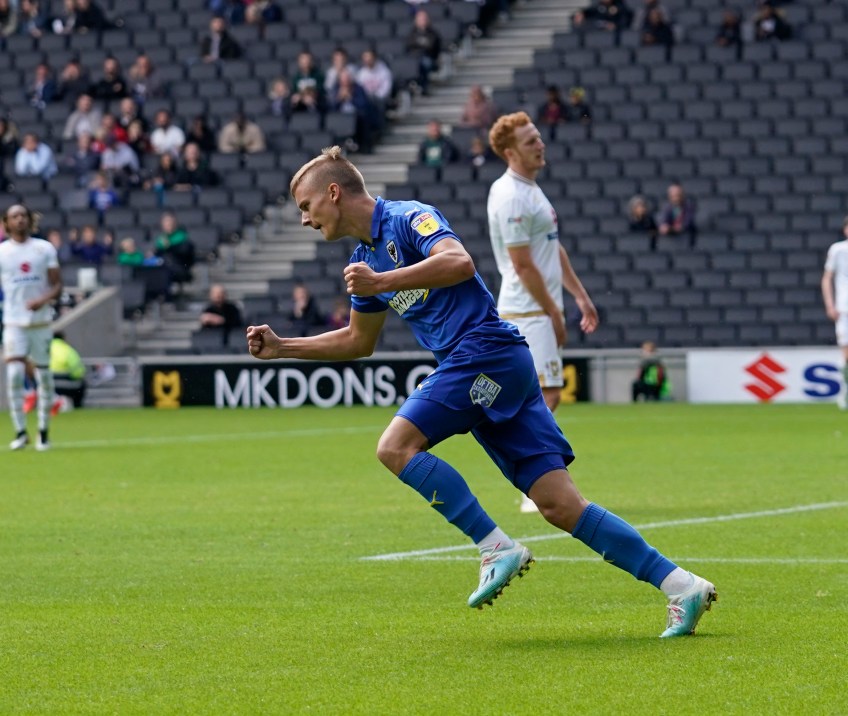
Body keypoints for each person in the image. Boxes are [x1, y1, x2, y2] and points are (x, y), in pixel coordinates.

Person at [245, 146, 718, 637]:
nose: (304, 219)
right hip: (491, 367)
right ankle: (681, 586)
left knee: (394, 447)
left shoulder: (408, 218)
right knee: (560, 505)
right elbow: (357, 341)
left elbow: (460, 262)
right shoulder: (362, 262)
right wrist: (283, 347)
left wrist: (384, 279)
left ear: (333, 193)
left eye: (306, 206)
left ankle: (495, 547)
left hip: (483, 352)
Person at [486, 111, 599, 513]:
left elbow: (551, 247)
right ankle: (535, 484)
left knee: (540, 396)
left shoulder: (530, 190)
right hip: (527, 311)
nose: (540, 144)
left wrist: (579, 296)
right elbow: (522, 264)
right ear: (510, 152)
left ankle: (538, 481)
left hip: (536, 310)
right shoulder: (512, 196)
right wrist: (553, 312)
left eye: (537, 136)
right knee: (545, 395)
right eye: (530, 140)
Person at [0, 205, 62, 450]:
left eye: (23, 216)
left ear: (29, 220)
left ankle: (43, 431)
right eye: (14, 216)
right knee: (14, 375)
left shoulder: (44, 248)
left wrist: (42, 300)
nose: (19, 220)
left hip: (40, 322)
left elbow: (57, 286)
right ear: (6, 222)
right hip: (14, 322)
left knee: (43, 376)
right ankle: (20, 431)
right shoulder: (2, 252)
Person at [821, 217, 848, 410]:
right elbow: (827, 278)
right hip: (844, 309)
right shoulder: (837, 250)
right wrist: (830, 304)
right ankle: (846, 390)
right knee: (846, 355)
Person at [50, 331, 87, 408]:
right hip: (65, 383)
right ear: (63, 338)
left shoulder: (45, 350)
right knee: (81, 385)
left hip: (48, 383)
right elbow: (78, 371)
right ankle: (77, 406)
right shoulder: (67, 349)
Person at [658, 182, 697, 246]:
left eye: (677, 195)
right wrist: (664, 226)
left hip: (686, 238)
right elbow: (663, 222)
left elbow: (686, 224)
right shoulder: (667, 208)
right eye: (672, 196)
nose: (675, 198)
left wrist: (672, 228)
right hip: (670, 240)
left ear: (682, 195)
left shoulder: (689, 208)